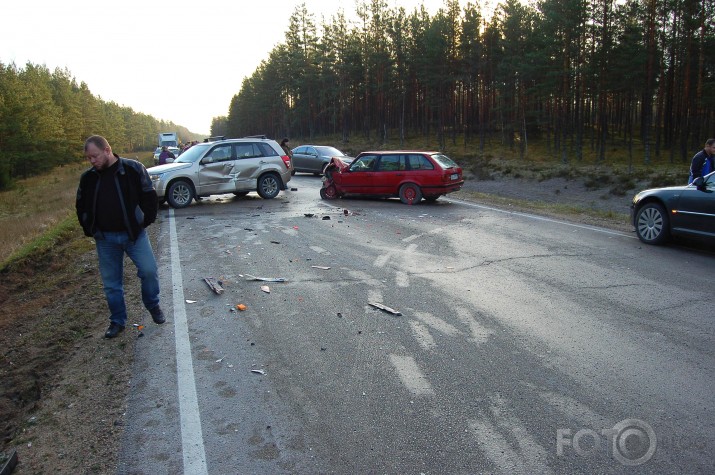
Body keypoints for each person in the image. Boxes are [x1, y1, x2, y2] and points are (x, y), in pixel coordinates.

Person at [76, 135, 165, 339]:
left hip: (134, 236)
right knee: (111, 285)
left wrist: (145, 221)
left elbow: (149, 195)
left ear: (107, 150)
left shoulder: (133, 169)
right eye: (88, 158)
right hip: (105, 239)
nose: (92, 161)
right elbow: (80, 205)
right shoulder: (88, 178)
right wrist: (89, 227)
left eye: (95, 156)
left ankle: (153, 305)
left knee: (149, 271)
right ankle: (117, 321)